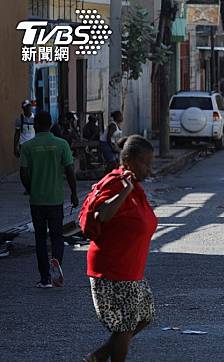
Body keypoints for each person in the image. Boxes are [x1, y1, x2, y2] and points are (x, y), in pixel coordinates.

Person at [85, 135, 157, 362]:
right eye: (145, 163)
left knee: (144, 316)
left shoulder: (134, 186)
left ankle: (99, 355)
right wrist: (123, 191)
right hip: (113, 269)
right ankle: (105, 356)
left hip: (130, 269)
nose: (150, 169)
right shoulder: (118, 182)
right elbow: (101, 215)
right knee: (126, 325)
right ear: (128, 160)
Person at [19, 111, 79, 288]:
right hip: (56, 199)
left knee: (40, 238)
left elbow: (23, 173)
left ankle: (44, 278)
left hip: (37, 200)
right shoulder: (61, 144)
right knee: (57, 236)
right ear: (50, 123)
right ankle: (56, 264)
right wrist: (74, 194)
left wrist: (31, 189)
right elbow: (69, 171)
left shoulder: (28, 146)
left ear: (36, 124)